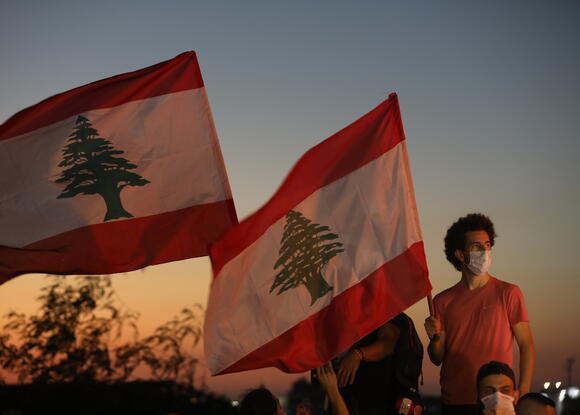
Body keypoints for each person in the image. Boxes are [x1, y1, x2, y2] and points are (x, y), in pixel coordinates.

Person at [424, 213, 535, 415]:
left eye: (487, 244)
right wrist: (435, 338)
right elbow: (437, 357)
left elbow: (526, 345)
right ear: (460, 254)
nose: (484, 250)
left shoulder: (509, 293)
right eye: (476, 246)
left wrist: (523, 391)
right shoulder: (441, 301)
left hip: (497, 401)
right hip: (455, 401)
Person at [336, 313, 423, 414]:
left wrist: (357, 354)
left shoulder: (391, 317)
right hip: (387, 402)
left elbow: (387, 344)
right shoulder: (402, 321)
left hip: (378, 404)